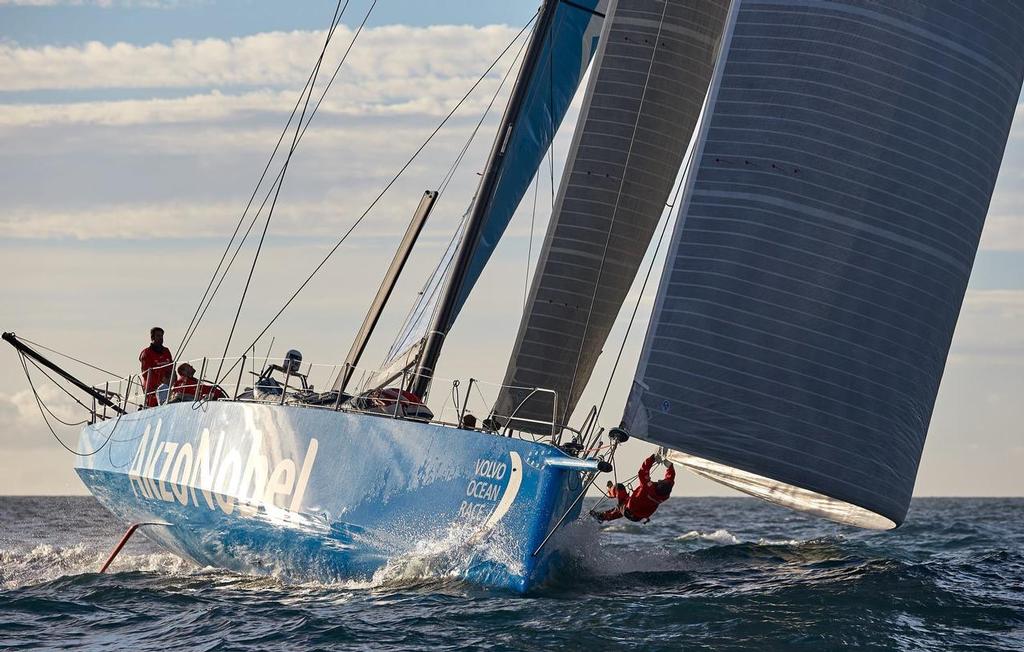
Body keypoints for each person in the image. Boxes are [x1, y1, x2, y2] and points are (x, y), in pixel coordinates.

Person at [592, 454, 675, 523]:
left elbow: (642, 472)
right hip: (638, 517)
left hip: (629, 511)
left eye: (661, 481)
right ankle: (602, 517)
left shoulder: (647, 488)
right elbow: (670, 479)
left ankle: (610, 491)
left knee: (619, 488)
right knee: (624, 506)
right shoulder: (665, 495)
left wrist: (653, 458)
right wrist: (670, 466)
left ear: (659, 486)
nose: (660, 480)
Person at [139, 326, 173, 408]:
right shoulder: (146, 353)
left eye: (162, 336)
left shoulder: (166, 351)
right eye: (158, 336)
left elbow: (171, 368)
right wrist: (160, 383)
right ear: (152, 337)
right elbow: (146, 373)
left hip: (166, 386)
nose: (161, 338)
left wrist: (171, 380)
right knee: (153, 405)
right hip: (152, 388)